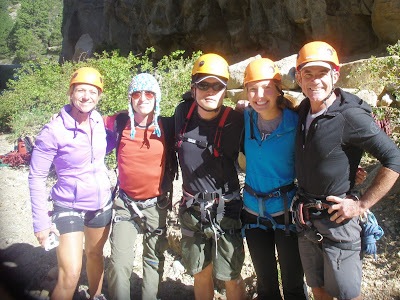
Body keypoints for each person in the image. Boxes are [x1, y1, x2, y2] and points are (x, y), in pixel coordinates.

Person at [293, 41, 400, 300]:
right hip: (306, 220)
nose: (315, 80)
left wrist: (362, 205)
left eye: (322, 73)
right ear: (298, 77)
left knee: (345, 295)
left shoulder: (350, 116)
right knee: (318, 290)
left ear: (335, 75)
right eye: (308, 73)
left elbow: (393, 158)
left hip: (338, 223)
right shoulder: (303, 110)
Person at [29, 67, 113, 300]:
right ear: (71, 93)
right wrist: (41, 223)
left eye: (93, 92)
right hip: (68, 205)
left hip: (101, 203)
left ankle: (96, 296)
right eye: (81, 90)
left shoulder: (97, 120)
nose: (87, 96)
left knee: (96, 256)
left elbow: (109, 143)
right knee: (71, 273)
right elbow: (36, 176)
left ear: (99, 96)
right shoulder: (53, 130)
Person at [174, 53, 247, 300]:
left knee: (231, 276)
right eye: (204, 84)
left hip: (226, 209)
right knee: (200, 273)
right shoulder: (182, 113)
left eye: (217, 85)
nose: (210, 90)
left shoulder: (236, 121)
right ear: (193, 87)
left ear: (225, 90)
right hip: (192, 210)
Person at [240, 58, 308, 300]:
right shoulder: (244, 119)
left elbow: (319, 155)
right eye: (252, 88)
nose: (259, 95)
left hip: (286, 213)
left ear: (279, 89)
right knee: (266, 286)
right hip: (252, 214)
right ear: (246, 92)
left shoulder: (297, 123)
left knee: (293, 285)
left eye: (266, 87)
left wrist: (351, 170)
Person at [105, 73, 177, 300]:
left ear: (157, 97)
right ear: (130, 97)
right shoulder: (119, 123)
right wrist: (65, 113)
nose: (142, 98)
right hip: (125, 205)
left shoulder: (168, 125)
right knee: (119, 264)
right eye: (137, 93)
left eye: (149, 93)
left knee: (153, 259)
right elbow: (89, 121)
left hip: (157, 205)